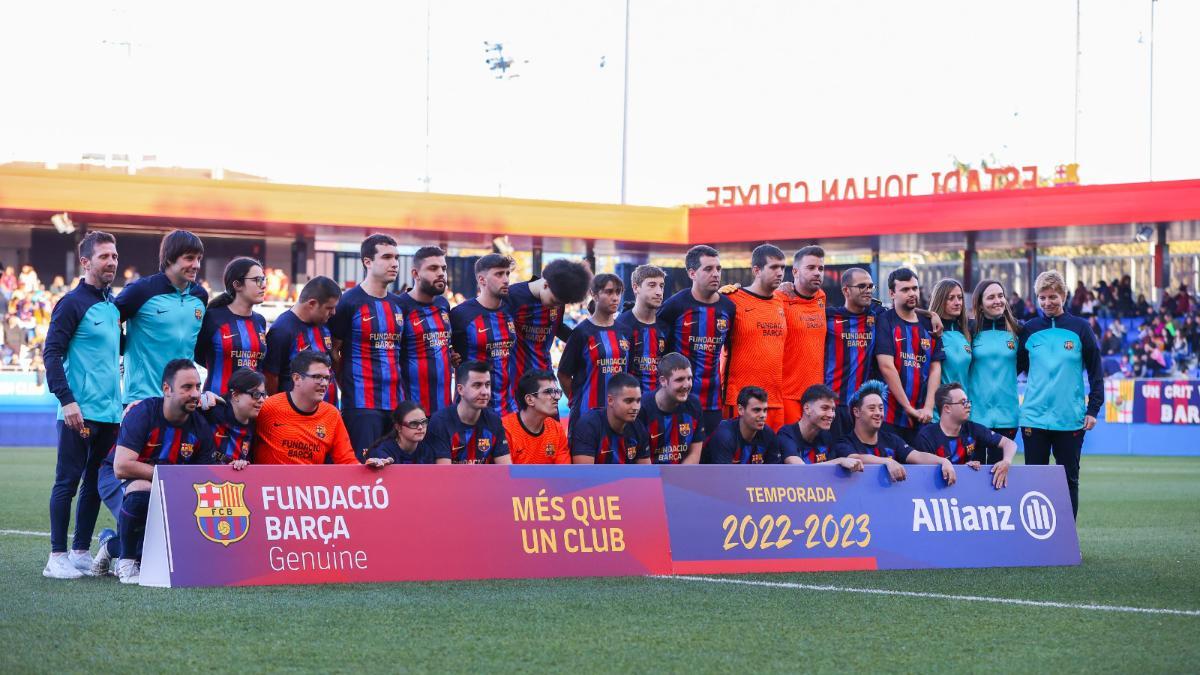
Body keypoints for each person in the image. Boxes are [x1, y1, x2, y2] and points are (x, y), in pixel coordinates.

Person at [42, 231, 122, 579]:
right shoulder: (72, 303)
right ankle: (56, 557)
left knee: (93, 482)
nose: (111, 262)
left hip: (110, 412)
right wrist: (67, 400)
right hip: (80, 412)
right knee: (68, 481)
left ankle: (79, 552)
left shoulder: (111, 304)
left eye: (115, 256)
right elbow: (51, 353)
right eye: (104, 256)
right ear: (86, 262)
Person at [96, 359, 215, 584]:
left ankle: (112, 545)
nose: (195, 394)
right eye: (187, 387)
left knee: (167, 549)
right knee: (144, 491)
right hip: (116, 477)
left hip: (165, 486)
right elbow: (122, 466)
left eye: (198, 387)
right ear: (167, 389)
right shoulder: (143, 413)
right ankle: (127, 563)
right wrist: (170, 478)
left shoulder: (200, 427)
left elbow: (201, 478)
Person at [1018, 270, 1103, 517]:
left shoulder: (1081, 328)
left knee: (1069, 482)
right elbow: (1013, 369)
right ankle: (1038, 540)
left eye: (1052, 296)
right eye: (1042, 298)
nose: (1047, 302)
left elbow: (1096, 373)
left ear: (1063, 295)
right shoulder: (1029, 330)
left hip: (1069, 419)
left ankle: (1068, 541)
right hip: (1033, 418)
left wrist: (1093, 409)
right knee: (1035, 484)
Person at [329, 234, 406, 460]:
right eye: (387, 257)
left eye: (396, 257)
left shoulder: (399, 305)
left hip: (395, 404)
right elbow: (334, 351)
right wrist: (349, 386)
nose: (394, 263)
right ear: (367, 262)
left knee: (394, 472)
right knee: (364, 469)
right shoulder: (348, 302)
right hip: (361, 405)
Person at [115, 230, 208, 404]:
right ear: (170, 259)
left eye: (199, 259)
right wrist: (123, 346)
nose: (196, 265)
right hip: (142, 399)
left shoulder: (200, 296)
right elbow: (109, 318)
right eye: (189, 258)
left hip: (183, 401)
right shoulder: (141, 291)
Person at [659, 245, 736, 436]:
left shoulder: (729, 307)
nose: (716, 274)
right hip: (678, 401)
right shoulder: (674, 306)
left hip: (713, 403)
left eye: (718, 269)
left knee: (709, 461)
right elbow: (659, 353)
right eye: (708, 269)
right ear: (692, 273)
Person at [253, 351, 375, 466]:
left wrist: (370, 467)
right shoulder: (268, 407)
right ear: (297, 378)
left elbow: (347, 461)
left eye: (327, 378)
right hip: (270, 486)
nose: (324, 384)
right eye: (317, 377)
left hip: (309, 487)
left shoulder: (331, 414)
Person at [506, 258, 593, 410]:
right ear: (545, 284)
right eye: (554, 301)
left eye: (560, 304)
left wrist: (583, 340)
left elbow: (557, 327)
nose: (556, 306)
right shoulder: (513, 296)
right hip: (516, 380)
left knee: (550, 429)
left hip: (546, 377)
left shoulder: (559, 298)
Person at [833, 380, 956, 485]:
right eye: (872, 408)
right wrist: (887, 461)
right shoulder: (844, 442)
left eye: (881, 408)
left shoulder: (892, 440)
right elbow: (855, 458)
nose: (878, 413)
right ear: (857, 412)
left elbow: (917, 455)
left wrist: (943, 461)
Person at [874, 268, 943, 444]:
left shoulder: (930, 325)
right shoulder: (884, 320)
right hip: (890, 416)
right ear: (892, 293)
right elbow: (886, 367)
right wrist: (908, 408)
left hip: (923, 417)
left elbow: (935, 368)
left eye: (914, 288)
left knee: (921, 469)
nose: (912, 293)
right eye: (905, 290)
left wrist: (928, 407)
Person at [722, 244, 787, 430]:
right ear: (757, 270)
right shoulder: (731, 299)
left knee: (773, 458)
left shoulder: (781, 301)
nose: (780, 272)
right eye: (774, 267)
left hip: (773, 400)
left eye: (783, 267)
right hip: (740, 400)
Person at [914, 383, 1017, 489]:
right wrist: (961, 468)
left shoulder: (972, 428)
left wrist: (1006, 461)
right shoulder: (926, 436)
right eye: (963, 402)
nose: (968, 405)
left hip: (965, 492)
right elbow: (924, 476)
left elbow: (1009, 443)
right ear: (947, 408)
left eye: (968, 401)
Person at [450, 254, 517, 414]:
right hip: (472, 411)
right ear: (482, 280)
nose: (506, 279)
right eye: (499, 274)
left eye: (507, 273)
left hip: (508, 408)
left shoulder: (512, 309)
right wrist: (450, 355)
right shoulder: (461, 314)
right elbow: (442, 348)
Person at [558, 274, 630, 421]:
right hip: (586, 415)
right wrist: (577, 402)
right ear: (594, 294)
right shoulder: (581, 332)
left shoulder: (625, 331)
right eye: (609, 292)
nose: (615, 297)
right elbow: (563, 374)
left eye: (618, 292)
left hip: (618, 416)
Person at [195, 257, 268, 395]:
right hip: (217, 405)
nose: (263, 285)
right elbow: (197, 355)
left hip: (252, 406)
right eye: (257, 280)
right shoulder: (213, 318)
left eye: (264, 279)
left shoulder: (260, 321)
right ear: (237, 285)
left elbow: (260, 366)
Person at [263, 275, 341, 403]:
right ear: (312, 304)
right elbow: (271, 377)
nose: (333, 313)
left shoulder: (325, 322)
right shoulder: (282, 330)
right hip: (296, 417)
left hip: (329, 413)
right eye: (329, 308)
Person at [397, 246, 455, 414]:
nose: (441, 273)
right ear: (415, 274)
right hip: (411, 411)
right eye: (433, 268)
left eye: (443, 268)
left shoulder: (443, 305)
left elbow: (443, 344)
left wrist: (452, 355)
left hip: (444, 409)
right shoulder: (400, 306)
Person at [824, 268, 886, 423]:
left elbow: (902, 310)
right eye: (861, 286)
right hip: (831, 404)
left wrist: (930, 315)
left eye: (870, 286)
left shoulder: (876, 313)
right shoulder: (828, 316)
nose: (867, 291)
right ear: (846, 290)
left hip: (861, 408)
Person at [777, 246, 828, 425]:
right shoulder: (778, 298)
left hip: (816, 396)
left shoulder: (821, 297)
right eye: (811, 268)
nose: (817, 273)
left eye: (820, 268)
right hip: (788, 394)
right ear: (795, 271)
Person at [426, 360, 512, 464]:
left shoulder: (494, 421)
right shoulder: (440, 422)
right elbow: (444, 475)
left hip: (484, 480)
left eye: (487, 385)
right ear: (460, 389)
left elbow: (506, 469)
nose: (485, 392)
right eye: (477, 385)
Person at [968, 279, 1022, 443]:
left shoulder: (1018, 330)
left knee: (999, 468)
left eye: (1000, 296)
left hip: (1007, 416)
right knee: (974, 468)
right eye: (991, 297)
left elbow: (1023, 366)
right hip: (974, 415)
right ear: (980, 304)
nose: (997, 301)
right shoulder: (969, 329)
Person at [570, 372, 650, 464]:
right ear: (610, 400)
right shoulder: (588, 426)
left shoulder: (639, 428)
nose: (635, 407)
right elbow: (584, 475)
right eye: (629, 401)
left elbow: (645, 474)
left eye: (638, 401)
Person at [777, 384, 863, 470]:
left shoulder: (827, 436)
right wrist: (839, 461)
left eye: (833, 409)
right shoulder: (786, 434)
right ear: (807, 409)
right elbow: (799, 470)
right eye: (825, 408)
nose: (831, 415)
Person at [638, 352, 703, 464]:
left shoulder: (694, 405)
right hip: (648, 477)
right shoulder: (641, 409)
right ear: (663, 381)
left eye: (689, 378)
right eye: (680, 379)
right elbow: (640, 462)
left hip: (680, 477)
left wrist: (679, 478)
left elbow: (694, 454)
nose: (687, 385)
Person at [196, 368, 266, 467]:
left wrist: (242, 464)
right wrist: (199, 398)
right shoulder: (210, 410)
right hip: (200, 477)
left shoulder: (258, 422)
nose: (262, 400)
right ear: (235, 395)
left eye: (263, 394)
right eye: (256, 394)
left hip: (234, 481)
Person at [616, 264, 670, 394]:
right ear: (636, 288)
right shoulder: (620, 325)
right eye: (652, 285)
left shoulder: (666, 326)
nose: (658, 292)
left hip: (659, 406)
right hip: (628, 406)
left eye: (661, 286)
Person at [503, 369, 570, 464]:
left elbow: (564, 474)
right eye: (548, 392)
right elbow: (503, 475)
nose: (557, 397)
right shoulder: (505, 430)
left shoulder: (556, 429)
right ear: (529, 400)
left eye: (557, 392)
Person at [703, 386, 782, 464]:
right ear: (740, 410)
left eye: (765, 410)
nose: (763, 415)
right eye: (757, 410)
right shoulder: (724, 435)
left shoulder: (768, 434)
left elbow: (775, 473)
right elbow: (722, 475)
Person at [928, 278, 970, 421]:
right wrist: (931, 315)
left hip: (963, 413)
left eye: (960, 298)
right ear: (940, 300)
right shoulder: (929, 331)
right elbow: (898, 311)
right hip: (936, 416)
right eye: (950, 298)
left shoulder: (967, 331)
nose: (957, 302)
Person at [366, 401, 434, 465]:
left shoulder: (427, 450)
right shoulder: (382, 452)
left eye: (424, 422)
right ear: (398, 427)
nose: (420, 427)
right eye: (413, 423)